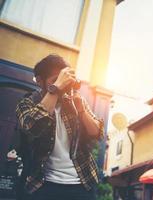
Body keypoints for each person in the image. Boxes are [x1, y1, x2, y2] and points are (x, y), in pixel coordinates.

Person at [16, 54, 104, 200]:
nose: (62, 85)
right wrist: (55, 89)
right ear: (39, 81)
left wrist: (81, 110)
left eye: (64, 80)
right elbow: (32, 127)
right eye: (55, 80)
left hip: (82, 183)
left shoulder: (76, 100)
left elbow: (97, 134)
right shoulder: (27, 103)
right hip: (42, 185)